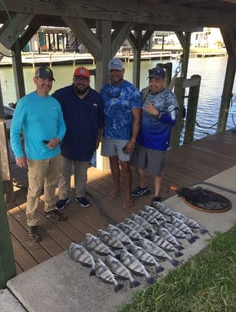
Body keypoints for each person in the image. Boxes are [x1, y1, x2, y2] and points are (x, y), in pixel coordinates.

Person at [10, 66, 67, 242]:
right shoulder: (25, 102)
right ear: (35, 80)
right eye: (43, 79)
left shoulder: (54, 103)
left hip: (55, 152)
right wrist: (18, 154)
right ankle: (32, 223)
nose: (46, 83)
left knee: (52, 184)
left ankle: (50, 209)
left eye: (49, 80)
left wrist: (58, 139)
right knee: (34, 190)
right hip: (35, 156)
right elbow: (14, 130)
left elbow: (63, 126)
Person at [53, 66, 104, 209]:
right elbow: (49, 110)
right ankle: (63, 196)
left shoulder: (96, 98)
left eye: (84, 79)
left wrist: (97, 140)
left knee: (82, 173)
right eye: (78, 79)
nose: (81, 82)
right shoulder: (61, 95)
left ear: (89, 81)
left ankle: (80, 195)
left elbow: (101, 123)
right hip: (65, 144)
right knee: (64, 173)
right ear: (73, 79)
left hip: (87, 144)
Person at [131, 65, 178, 202]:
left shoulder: (170, 97)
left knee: (156, 171)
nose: (153, 83)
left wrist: (157, 114)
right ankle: (143, 186)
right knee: (139, 166)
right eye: (151, 80)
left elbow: (174, 120)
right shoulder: (144, 93)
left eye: (156, 80)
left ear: (163, 80)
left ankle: (157, 195)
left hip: (158, 141)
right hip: (142, 139)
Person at [101, 58, 141, 208]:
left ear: (123, 71)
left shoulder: (132, 90)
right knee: (112, 162)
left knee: (125, 165)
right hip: (108, 134)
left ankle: (128, 195)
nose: (115, 73)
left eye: (118, 70)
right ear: (109, 73)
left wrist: (133, 139)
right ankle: (116, 188)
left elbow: (137, 119)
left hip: (124, 136)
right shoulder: (104, 89)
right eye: (112, 70)